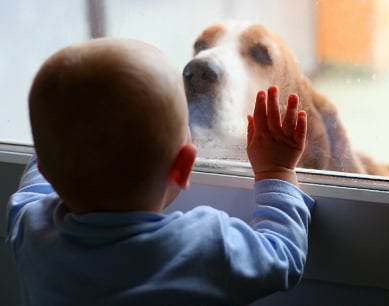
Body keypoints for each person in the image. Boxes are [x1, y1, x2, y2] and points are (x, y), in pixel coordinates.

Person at [6, 38, 314, 306]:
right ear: (182, 168)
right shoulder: (205, 249)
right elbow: (282, 253)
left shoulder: (31, 230)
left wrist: (62, 138)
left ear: (48, 173)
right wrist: (276, 169)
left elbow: (37, 180)